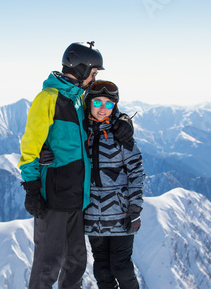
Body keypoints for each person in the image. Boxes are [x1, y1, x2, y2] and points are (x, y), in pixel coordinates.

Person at [18, 42, 134, 289]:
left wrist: (123, 119)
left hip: (78, 200)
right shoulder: (48, 99)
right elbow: (30, 145)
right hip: (53, 199)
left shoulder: (80, 99)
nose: (94, 78)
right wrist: (31, 188)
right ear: (81, 69)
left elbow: (105, 108)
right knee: (47, 265)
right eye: (93, 72)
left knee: (76, 264)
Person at [83, 80, 146, 289]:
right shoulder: (82, 132)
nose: (102, 109)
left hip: (120, 215)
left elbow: (136, 171)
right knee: (102, 269)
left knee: (121, 267)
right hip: (92, 215)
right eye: (98, 102)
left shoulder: (121, 134)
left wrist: (135, 208)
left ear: (115, 106)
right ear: (88, 103)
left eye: (109, 104)